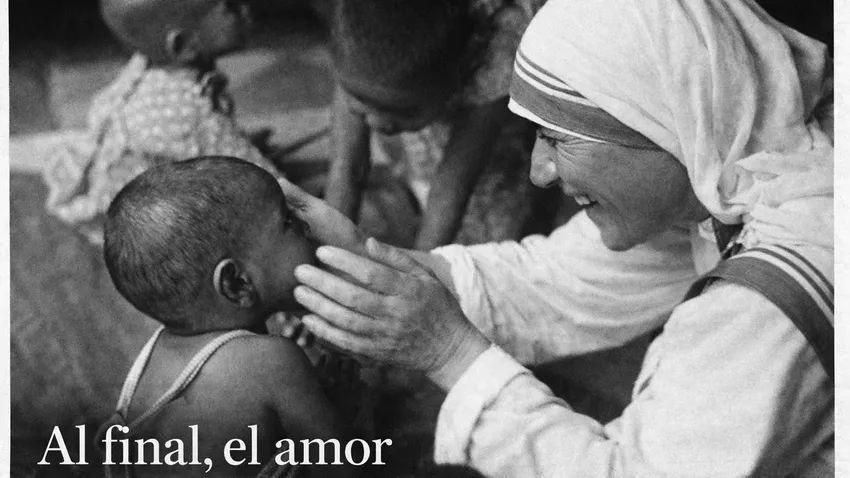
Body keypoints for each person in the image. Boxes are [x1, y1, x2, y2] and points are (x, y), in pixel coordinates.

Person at [277, 0, 835, 475]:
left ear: (664, 120)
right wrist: (360, 257)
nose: (538, 171)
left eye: (557, 138)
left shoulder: (766, 302)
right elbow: (555, 282)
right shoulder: (733, 182)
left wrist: (449, 351)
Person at [96, 157, 355, 478]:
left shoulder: (151, 362)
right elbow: (341, 469)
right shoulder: (272, 361)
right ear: (237, 283)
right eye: (287, 222)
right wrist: (346, 408)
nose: (305, 226)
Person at [43, 0, 280, 245]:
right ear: (184, 45)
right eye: (230, 7)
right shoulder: (192, 113)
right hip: (152, 222)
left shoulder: (151, 66)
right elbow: (270, 183)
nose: (246, 8)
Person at [325, 0, 551, 250]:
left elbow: (451, 190)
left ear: (458, 73)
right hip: (431, 135)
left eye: (403, 111)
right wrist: (329, 252)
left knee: (490, 243)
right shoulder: (358, 38)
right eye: (358, 98)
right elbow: (347, 167)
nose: (376, 122)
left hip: (498, 163)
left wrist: (419, 265)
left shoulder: (494, 49)